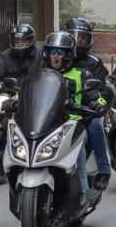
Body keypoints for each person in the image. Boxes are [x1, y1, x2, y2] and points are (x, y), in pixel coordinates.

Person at [41, 31, 98, 206]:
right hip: (46, 124)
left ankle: (84, 190)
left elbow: (96, 95)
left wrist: (97, 103)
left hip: (72, 123)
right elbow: (25, 94)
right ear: (47, 54)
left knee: (78, 141)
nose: (56, 56)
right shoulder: (41, 75)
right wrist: (12, 101)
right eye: (53, 52)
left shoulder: (81, 75)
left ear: (69, 54)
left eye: (61, 52)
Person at [64, 18, 112, 191]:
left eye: (83, 38)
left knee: (95, 125)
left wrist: (98, 104)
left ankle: (104, 169)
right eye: (75, 38)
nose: (79, 42)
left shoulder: (94, 62)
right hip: (64, 108)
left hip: (88, 108)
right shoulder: (60, 57)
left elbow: (102, 88)